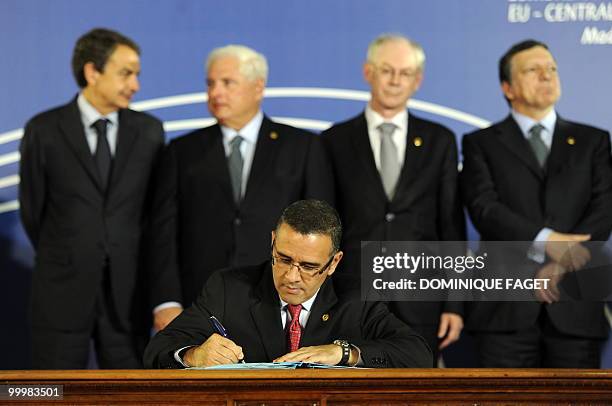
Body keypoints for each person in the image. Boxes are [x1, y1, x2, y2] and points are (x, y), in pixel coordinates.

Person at [148, 45, 333, 331]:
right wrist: (166, 302)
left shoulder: (302, 147)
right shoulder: (181, 151)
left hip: (279, 303)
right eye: (210, 83)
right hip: (198, 304)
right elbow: (163, 232)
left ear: (258, 87)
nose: (215, 93)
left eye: (227, 83)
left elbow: (319, 231)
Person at [460, 39, 612, 367]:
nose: (547, 76)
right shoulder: (480, 143)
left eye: (552, 69)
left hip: (576, 305)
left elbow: (604, 208)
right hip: (504, 312)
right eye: (533, 70)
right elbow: (485, 208)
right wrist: (546, 242)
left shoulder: (593, 141)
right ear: (508, 87)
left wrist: (562, 260)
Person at [19, 28, 165, 368]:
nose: (136, 85)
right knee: (51, 393)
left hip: (128, 297)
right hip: (60, 294)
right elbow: (33, 211)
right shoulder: (43, 130)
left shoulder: (149, 132)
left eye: (137, 74)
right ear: (92, 72)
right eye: (126, 73)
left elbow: (153, 213)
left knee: (131, 395)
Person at [144, 199, 432, 368]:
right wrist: (194, 355)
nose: (292, 276)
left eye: (308, 267)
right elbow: (158, 349)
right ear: (272, 243)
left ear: (333, 263)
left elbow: (417, 353)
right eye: (283, 259)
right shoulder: (227, 288)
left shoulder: (356, 298)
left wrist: (345, 352)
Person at [320, 34, 465, 363]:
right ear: (368, 72)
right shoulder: (334, 140)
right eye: (387, 70)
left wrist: (455, 303)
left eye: (405, 73)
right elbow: (325, 227)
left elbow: (450, 226)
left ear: (418, 81)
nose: (396, 80)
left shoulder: (439, 140)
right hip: (351, 295)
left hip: (422, 298)